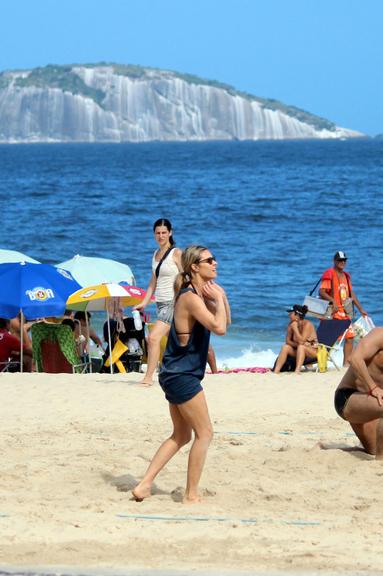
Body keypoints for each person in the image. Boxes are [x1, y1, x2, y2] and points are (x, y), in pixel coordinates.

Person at [132, 245, 230, 504]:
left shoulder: (199, 294)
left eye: (214, 258)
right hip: (181, 375)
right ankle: (191, 495)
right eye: (209, 260)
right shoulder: (189, 297)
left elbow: (225, 324)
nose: (215, 263)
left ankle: (144, 485)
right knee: (205, 433)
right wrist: (218, 299)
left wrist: (221, 296)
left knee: (181, 435)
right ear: (194, 267)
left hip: (176, 374)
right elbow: (219, 328)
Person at [134, 218, 182, 386]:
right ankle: (188, 370)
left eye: (164, 232)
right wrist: (144, 302)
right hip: (160, 304)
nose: (161, 236)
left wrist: (182, 300)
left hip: (172, 303)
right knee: (180, 341)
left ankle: (148, 378)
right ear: (154, 234)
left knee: (153, 339)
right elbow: (153, 282)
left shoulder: (176, 253)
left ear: (170, 233)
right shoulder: (155, 255)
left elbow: (186, 278)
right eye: (157, 233)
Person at [334, 327, 383, 459]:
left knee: (372, 450)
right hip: (348, 398)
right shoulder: (380, 334)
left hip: (371, 405)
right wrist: (373, 387)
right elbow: (354, 358)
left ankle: (327, 448)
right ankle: (380, 462)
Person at [319, 251, 367, 366]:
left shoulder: (346, 276)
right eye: (340, 260)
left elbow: (351, 294)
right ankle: (322, 364)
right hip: (332, 312)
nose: (343, 262)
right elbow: (321, 292)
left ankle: (346, 364)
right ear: (334, 261)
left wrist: (361, 309)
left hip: (345, 312)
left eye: (344, 260)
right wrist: (333, 300)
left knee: (350, 337)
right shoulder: (329, 273)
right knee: (329, 340)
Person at [273, 304, 318, 374]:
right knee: (285, 347)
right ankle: (276, 371)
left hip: (313, 352)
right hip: (299, 350)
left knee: (301, 347)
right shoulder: (291, 324)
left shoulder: (307, 324)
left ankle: (297, 371)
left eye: (291, 313)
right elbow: (287, 341)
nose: (289, 315)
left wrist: (295, 329)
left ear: (297, 315)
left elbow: (301, 342)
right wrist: (298, 344)